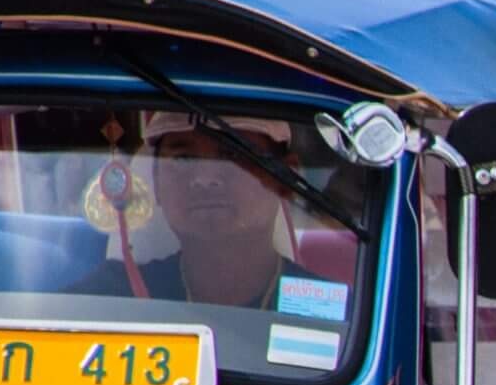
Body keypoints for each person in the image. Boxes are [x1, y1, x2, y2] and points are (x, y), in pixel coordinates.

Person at [76, 111, 324, 305]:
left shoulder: (327, 314)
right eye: (183, 159)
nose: (204, 179)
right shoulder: (111, 298)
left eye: (233, 154)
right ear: (156, 181)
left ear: (287, 178)